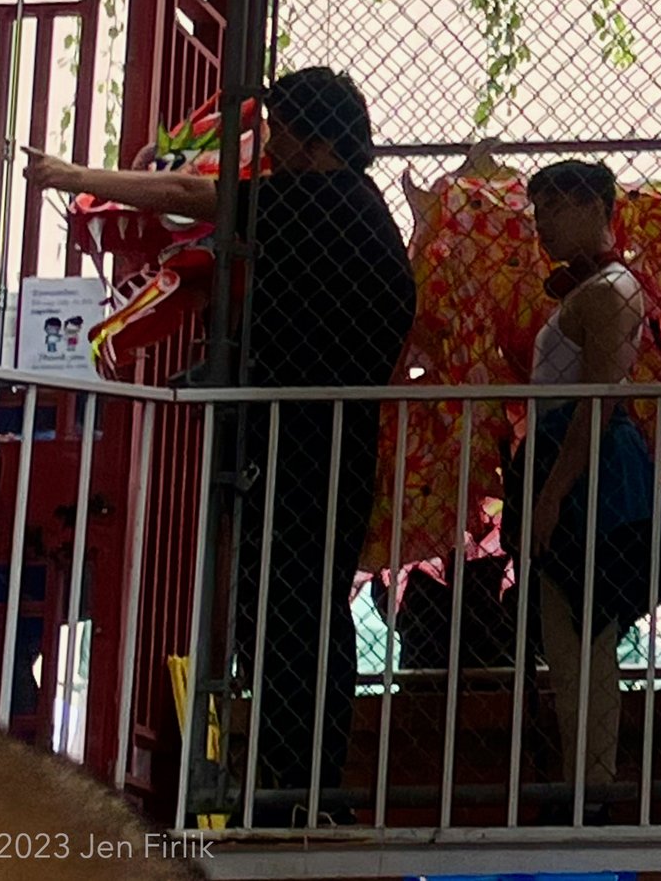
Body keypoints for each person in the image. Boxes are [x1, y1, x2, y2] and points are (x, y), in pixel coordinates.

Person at [29, 66, 415, 815]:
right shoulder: (361, 210)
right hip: (333, 436)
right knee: (304, 602)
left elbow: (188, 195)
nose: (269, 147)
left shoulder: (317, 200)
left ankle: (291, 782)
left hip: (301, 436)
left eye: (279, 132)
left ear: (314, 141)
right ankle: (299, 780)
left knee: (287, 607)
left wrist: (72, 176)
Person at [519, 159, 649, 820]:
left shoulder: (611, 290)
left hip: (584, 472)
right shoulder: (589, 289)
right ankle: (583, 781)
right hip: (568, 462)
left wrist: (552, 493)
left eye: (553, 206)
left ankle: (591, 789)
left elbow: (598, 401)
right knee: (568, 640)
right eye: (537, 208)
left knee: (585, 635)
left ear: (594, 205)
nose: (541, 222)